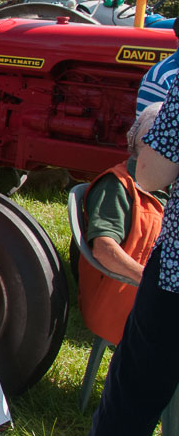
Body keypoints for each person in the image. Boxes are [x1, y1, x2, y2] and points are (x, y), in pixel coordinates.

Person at [30, 77, 179, 436]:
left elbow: (154, 173)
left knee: (131, 400)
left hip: (174, 280)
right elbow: (105, 243)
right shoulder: (114, 186)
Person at [77, 104, 166, 346]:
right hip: (130, 305)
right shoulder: (118, 186)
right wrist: (152, 283)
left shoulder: (165, 188)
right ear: (154, 147)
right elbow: (105, 250)